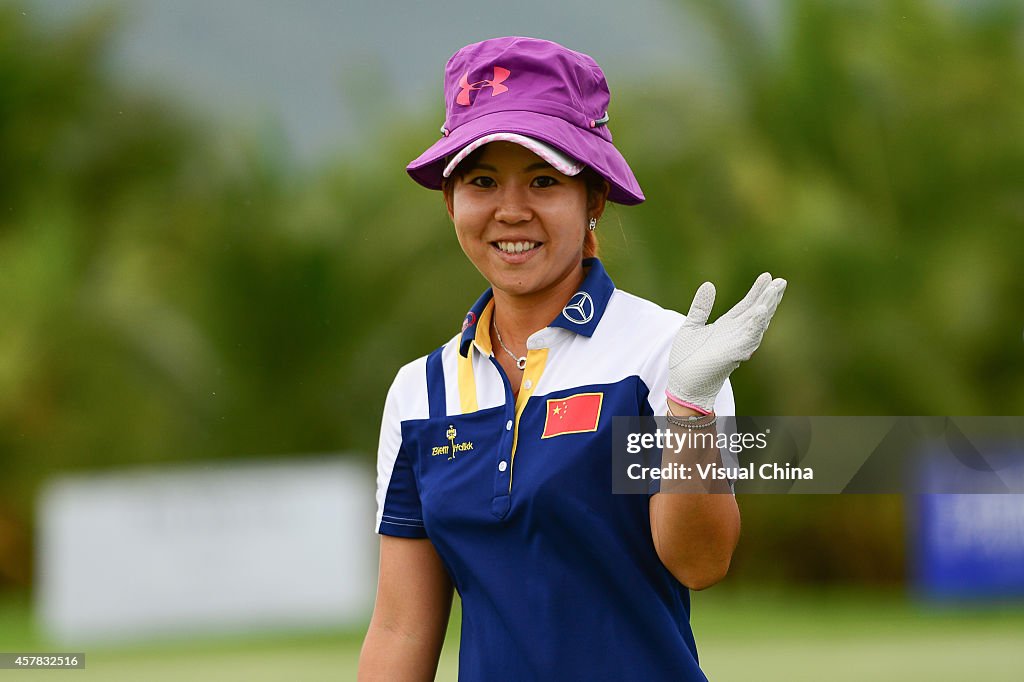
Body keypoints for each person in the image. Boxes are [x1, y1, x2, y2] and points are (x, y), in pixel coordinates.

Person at [358, 36, 786, 681]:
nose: (510, 210)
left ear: (593, 200)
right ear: (450, 202)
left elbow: (700, 564)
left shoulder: (664, 354)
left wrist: (690, 412)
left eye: (543, 180)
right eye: (481, 181)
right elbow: (401, 626)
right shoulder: (421, 391)